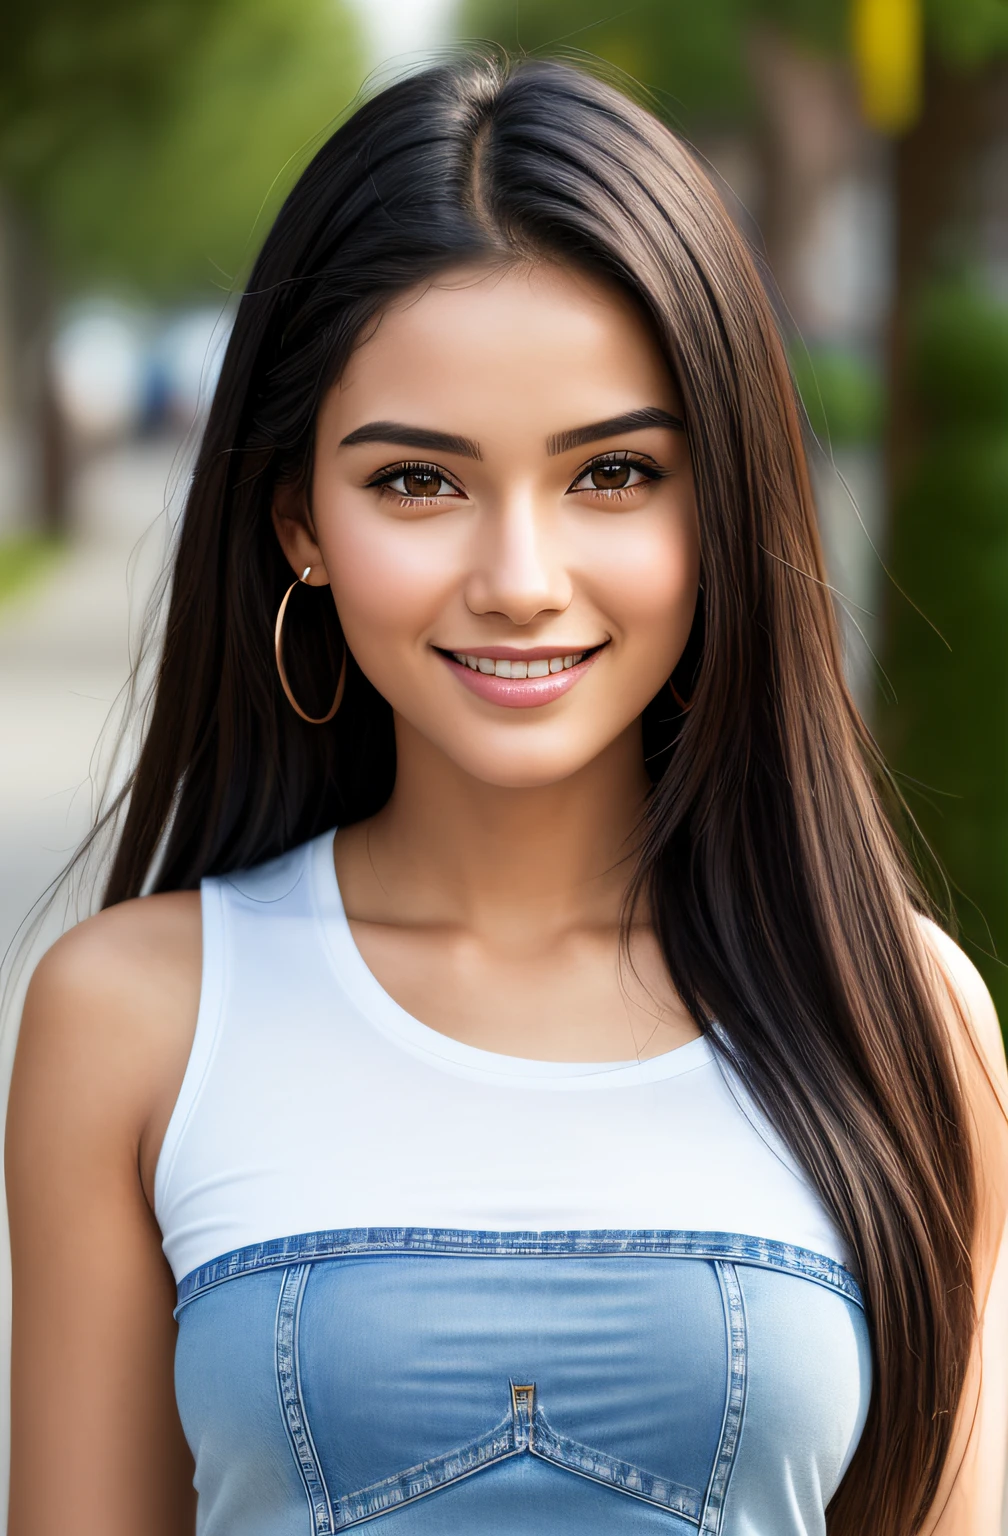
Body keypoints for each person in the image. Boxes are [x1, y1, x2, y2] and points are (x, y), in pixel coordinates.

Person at [6, 53, 1008, 1536]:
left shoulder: (897, 1014)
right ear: (299, 523)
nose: (520, 582)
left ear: (721, 499)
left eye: (612, 474)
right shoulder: (137, 1020)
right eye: (420, 481)